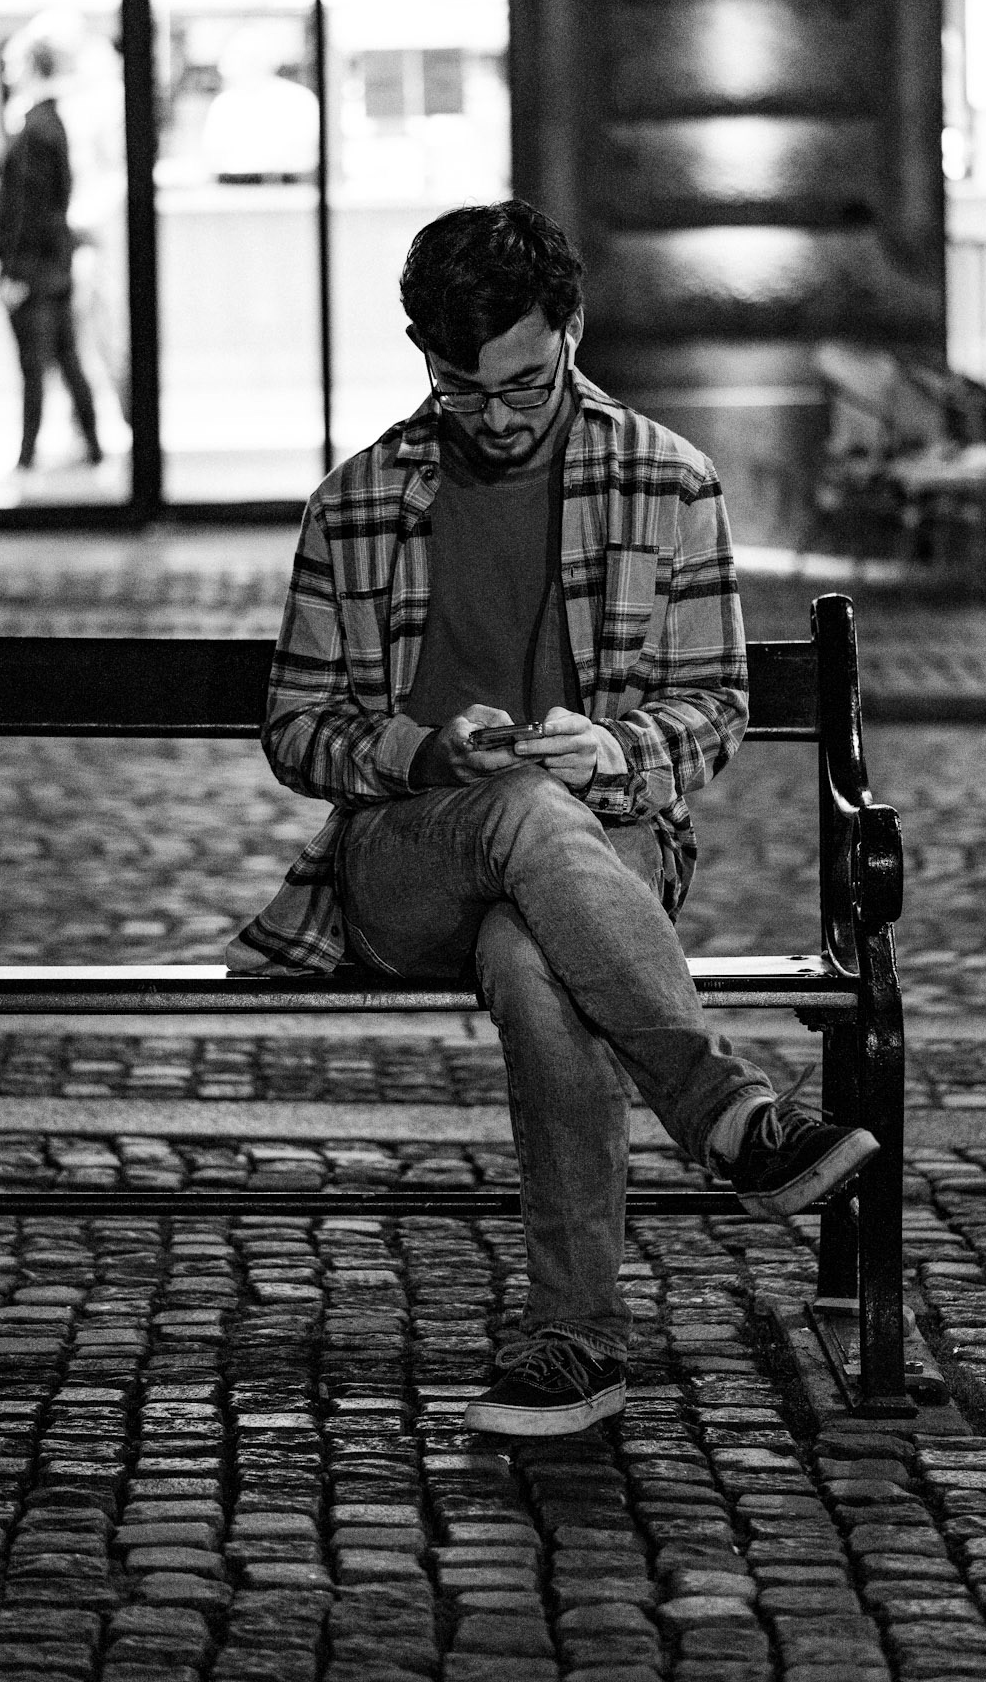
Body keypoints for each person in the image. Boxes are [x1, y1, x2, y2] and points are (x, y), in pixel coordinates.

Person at [229, 200, 878, 1436]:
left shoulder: (665, 478)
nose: (497, 414)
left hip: (602, 848)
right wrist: (420, 747)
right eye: (462, 388)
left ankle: (574, 1342)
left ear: (570, 329)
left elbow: (717, 705)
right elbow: (297, 729)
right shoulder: (357, 500)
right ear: (424, 356)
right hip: (406, 860)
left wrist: (618, 747)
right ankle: (727, 1113)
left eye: (524, 383)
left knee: (537, 957)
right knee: (519, 804)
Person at [0, 33, 103, 471]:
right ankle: (89, 443)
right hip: (52, 264)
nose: (8, 74)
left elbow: (28, 208)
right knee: (65, 357)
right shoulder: (48, 123)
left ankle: (28, 453)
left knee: (36, 364)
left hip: (37, 269)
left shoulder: (36, 127)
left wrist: (16, 271)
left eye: (14, 65)